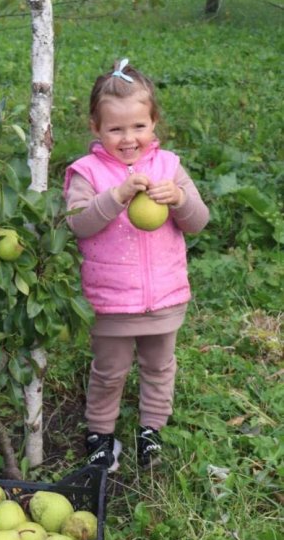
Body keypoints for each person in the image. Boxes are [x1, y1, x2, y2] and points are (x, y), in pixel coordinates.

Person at [64, 59, 209, 472]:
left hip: (164, 297)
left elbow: (199, 222)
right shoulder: (87, 172)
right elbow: (77, 223)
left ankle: (151, 429)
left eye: (138, 127)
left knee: (160, 366)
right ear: (95, 127)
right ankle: (100, 432)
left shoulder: (169, 168)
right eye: (116, 129)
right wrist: (116, 196)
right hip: (111, 301)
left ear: (154, 123)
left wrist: (180, 200)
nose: (129, 139)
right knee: (109, 370)